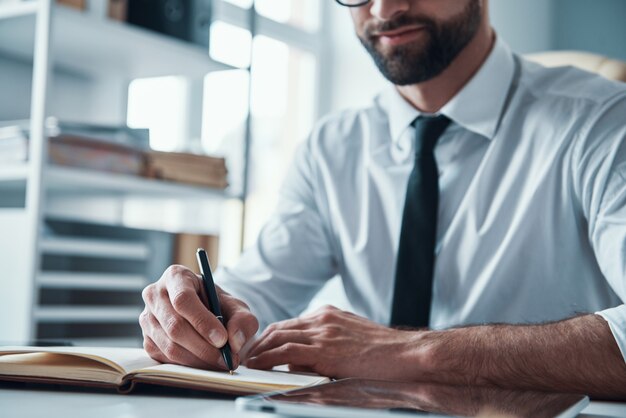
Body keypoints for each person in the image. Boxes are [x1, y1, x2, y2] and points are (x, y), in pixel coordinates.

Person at [139, 0, 626, 399]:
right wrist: (196, 315)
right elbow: (252, 301)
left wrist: (413, 352)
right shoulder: (332, 148)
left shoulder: (603, 125)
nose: (386, 7)